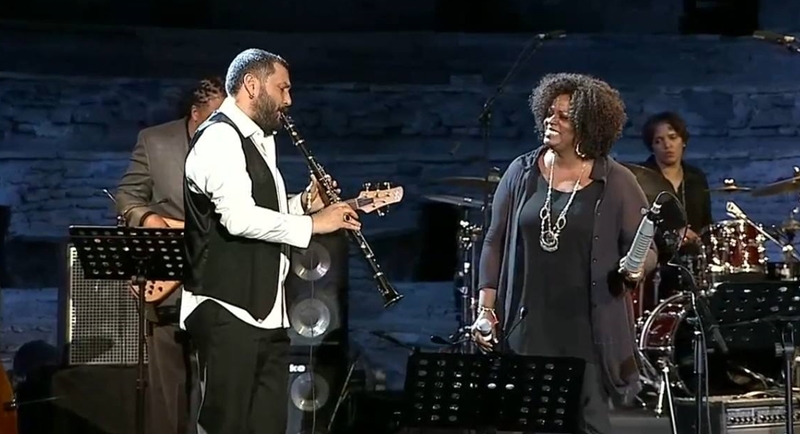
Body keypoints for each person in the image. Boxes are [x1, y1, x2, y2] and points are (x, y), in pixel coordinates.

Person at [181, 48, 360, 434]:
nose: (288, 100)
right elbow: (238, 218)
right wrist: (315, 224)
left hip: (267, 314)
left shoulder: (259, 140)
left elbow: (264, 213)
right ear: (252, 84)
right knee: (226, 425)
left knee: (269, 425)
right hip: (227, 308)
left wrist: (304, 203)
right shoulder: (219, 138)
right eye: (283, 88)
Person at [472, 73, 657, 434]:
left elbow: (646, 248)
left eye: (563, 116)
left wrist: (636, 269)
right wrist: (486, 309)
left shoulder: (617, 181)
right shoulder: (521, 172)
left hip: (587, 330)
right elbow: (494, 241)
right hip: (527, 327)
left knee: (587, 426)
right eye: (549, 112)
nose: (551, 120)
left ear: (587, 125)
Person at [115, 77, 225, 434]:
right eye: (216, 116)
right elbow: (127, 197)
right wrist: (149, 218)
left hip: (221, 287)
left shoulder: (240, 148)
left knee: (217, 396)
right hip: (166, 286)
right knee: (168, 398)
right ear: (195, 113)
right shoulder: (155, 141)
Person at [640, 111, 713, 243]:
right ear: (652, 147)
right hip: (655, 252)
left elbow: (706, 224)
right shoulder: (640, 178)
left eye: (672, 137)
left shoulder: (696, 178)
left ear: (683, 141)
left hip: (693, 252)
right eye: (658, 141)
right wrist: (672, 236)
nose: (667, 145)